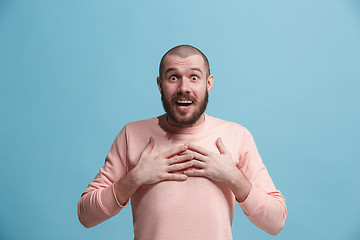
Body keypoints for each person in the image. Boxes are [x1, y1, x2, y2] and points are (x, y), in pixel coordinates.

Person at [78, 45, 287, 239]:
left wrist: (233, 176)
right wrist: (135, 178)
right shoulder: (131, 134)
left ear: (209, 83)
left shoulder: (237, 136)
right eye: (173, 77)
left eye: (194, 77)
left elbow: (275, 222)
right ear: (160, 84)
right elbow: (86, 216)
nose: (183, 87)